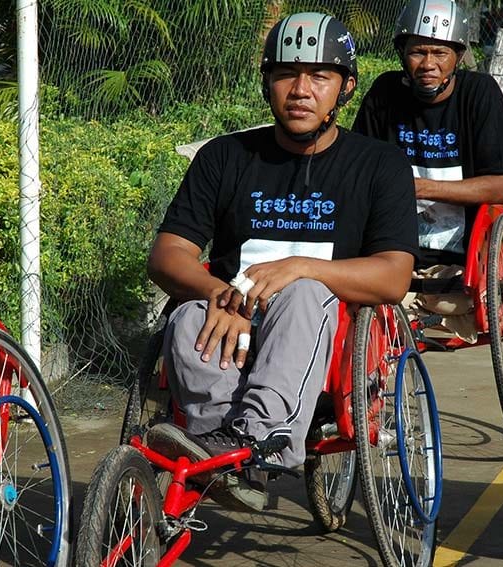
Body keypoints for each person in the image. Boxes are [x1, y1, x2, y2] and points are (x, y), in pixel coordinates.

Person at [143, 12, 418, 512]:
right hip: (231, 316)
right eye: (287, 74)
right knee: (184, 316)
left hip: (326, 329)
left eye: (320, 76)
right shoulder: (224, 157)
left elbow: (395, 275)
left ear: (346, 88)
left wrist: (302, 267)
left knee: (305, 294)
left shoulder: (380, 165)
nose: (300, 89)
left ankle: (263, 441)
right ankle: (218, 448)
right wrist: (214, 292)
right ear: (268, 82)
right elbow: (168, 253)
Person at [353, 0, 503, 342]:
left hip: (460, 258)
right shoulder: (384, 94)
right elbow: (356, 169)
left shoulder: (479, 93)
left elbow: (501, 188)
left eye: (439, 53)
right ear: (403, 53)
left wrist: (418, 188)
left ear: (458, 56)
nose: (428, 64)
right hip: (393, 251)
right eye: (418, 52)